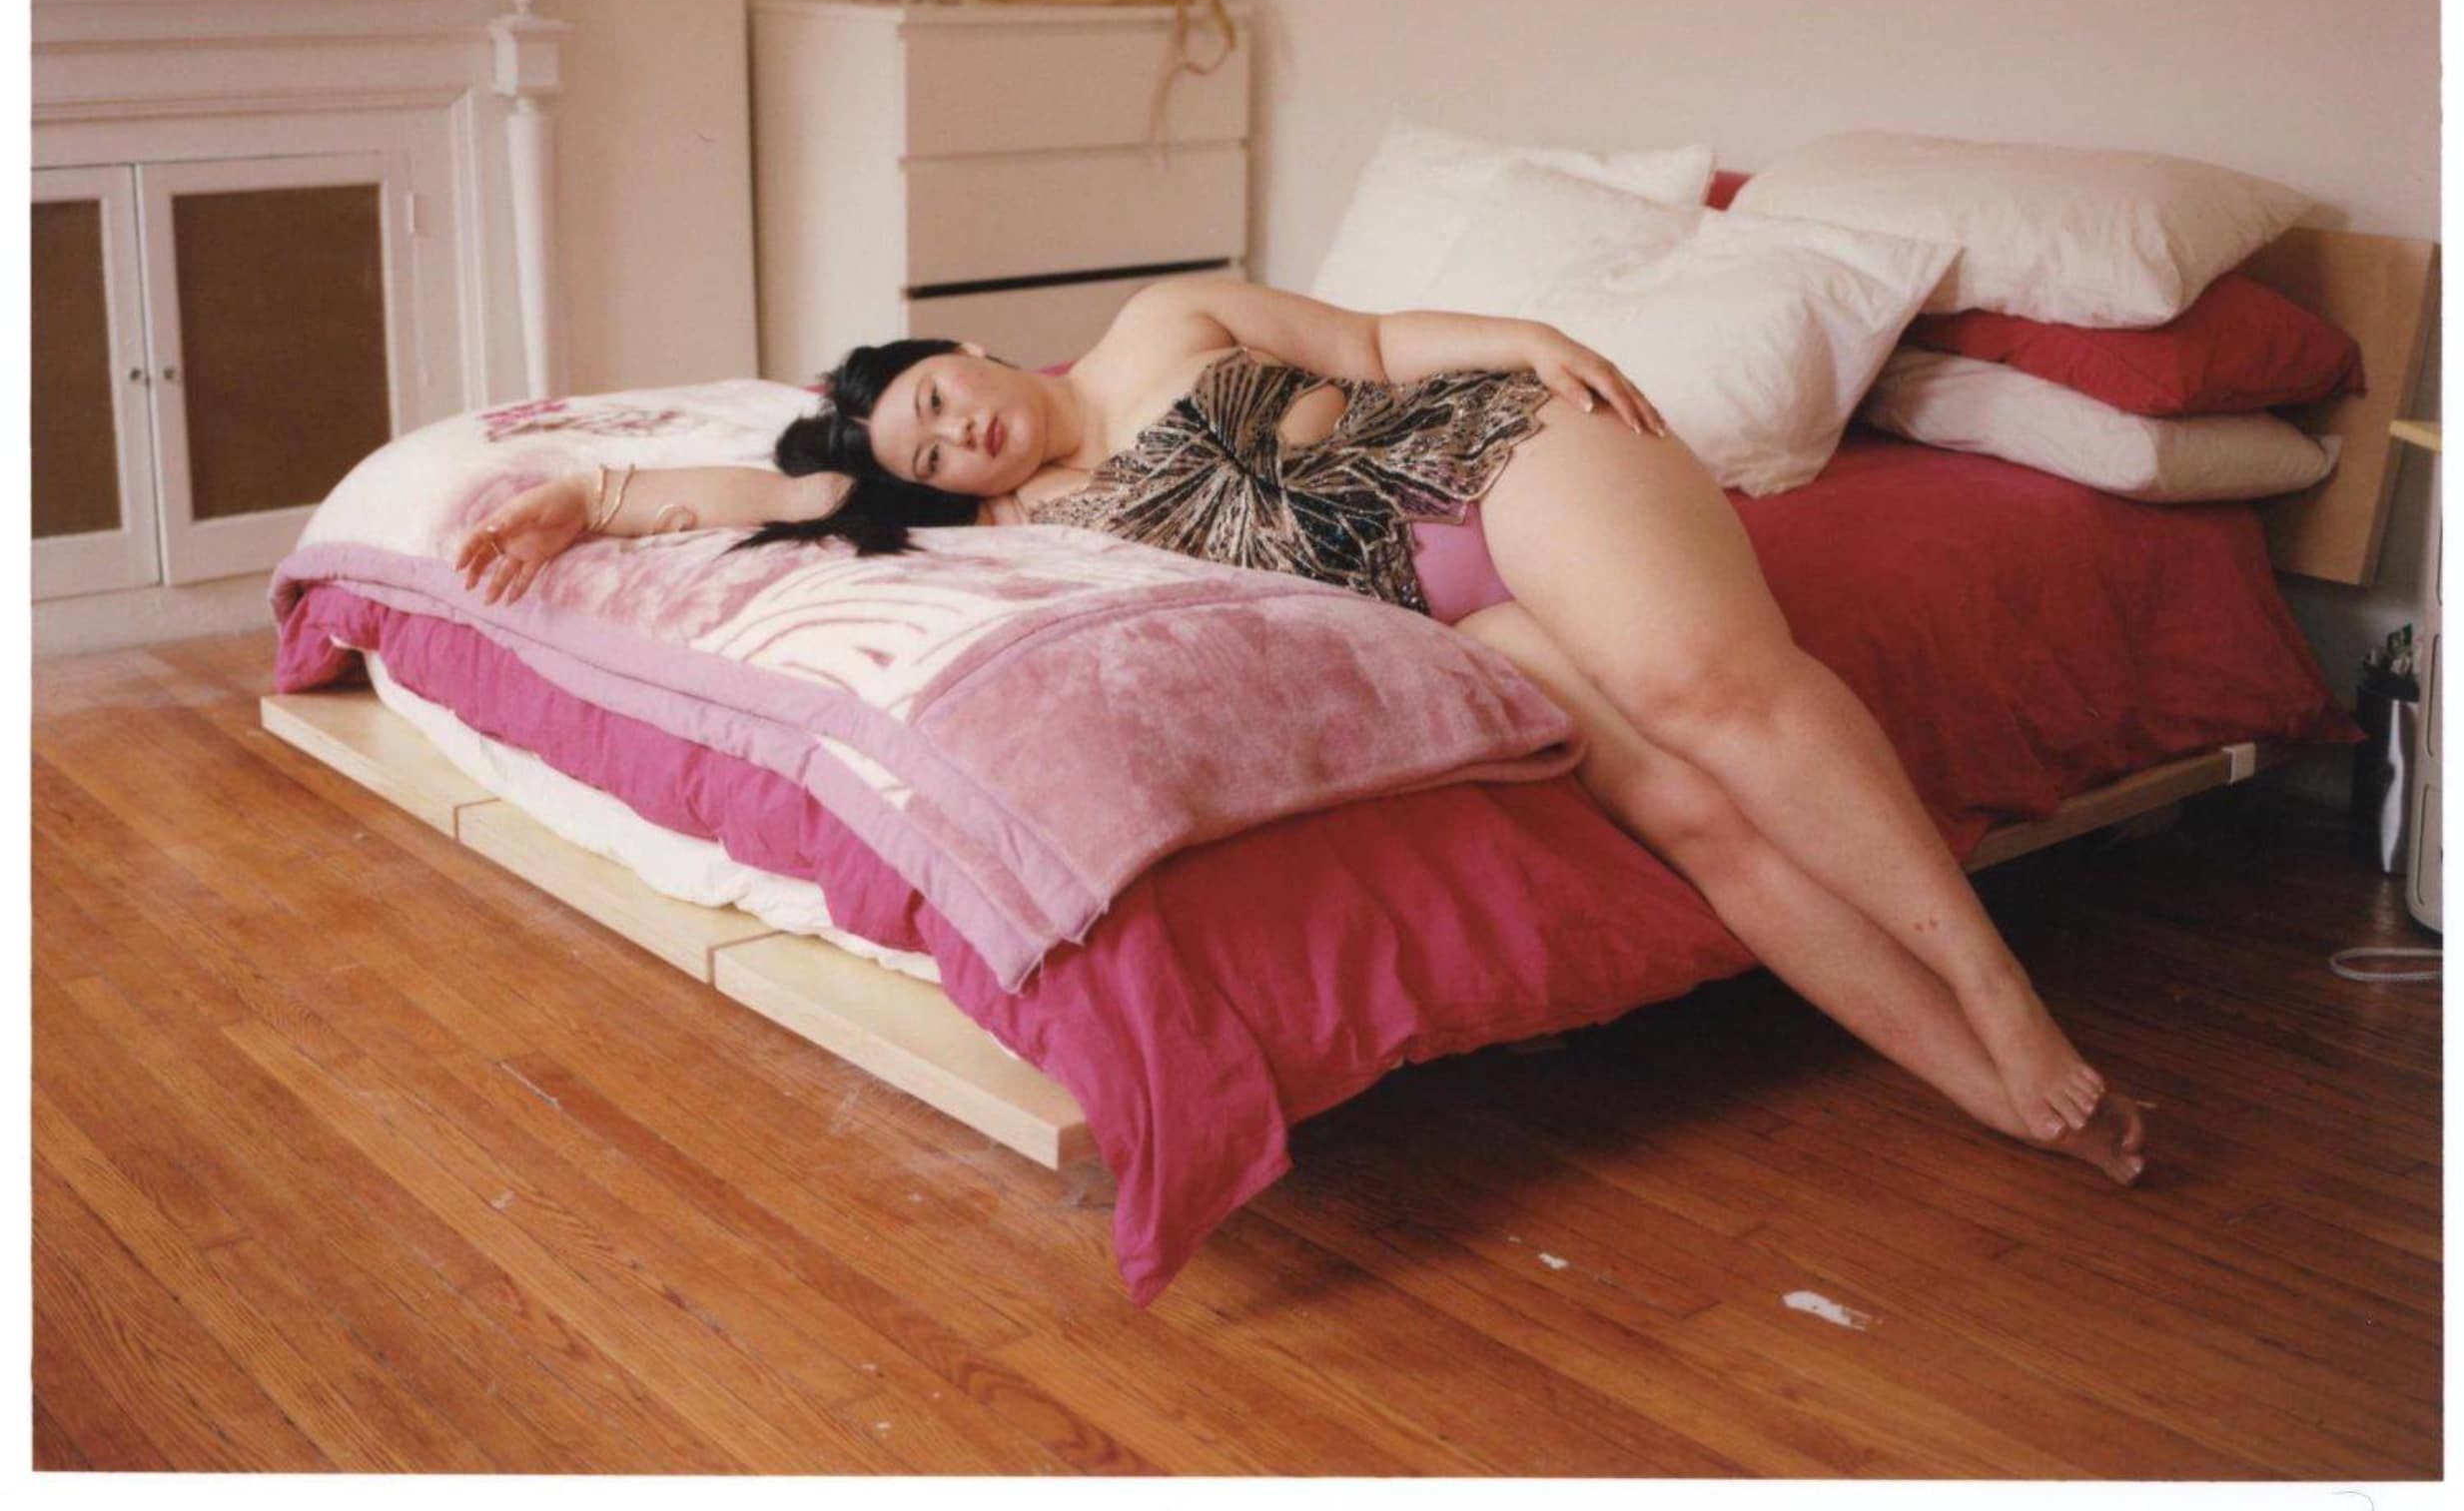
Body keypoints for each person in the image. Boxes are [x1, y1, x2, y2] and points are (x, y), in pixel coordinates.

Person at [458, 277, 2147, 1184]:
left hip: (1488, 457)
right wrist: (589, 497)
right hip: (1440, 605)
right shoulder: (1026, 514)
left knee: (1711, 690)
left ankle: (1998, 990)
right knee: (1689, 819)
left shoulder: (1159, 318)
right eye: (929, 453)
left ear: (964, 346)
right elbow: (778, 491)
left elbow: (1369, 342)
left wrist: (1532, 336)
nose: (955, 435)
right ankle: (1979, 1085)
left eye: (936, 397)